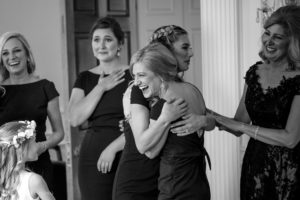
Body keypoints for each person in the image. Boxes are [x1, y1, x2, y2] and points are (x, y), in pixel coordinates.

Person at [208, 5, 300, 200]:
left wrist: (238, 125)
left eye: (278, 37)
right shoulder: (254, 73)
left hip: (291, 170)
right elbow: (238, 124)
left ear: (293, 43)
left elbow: (290, 138)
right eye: (267, 33)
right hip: (255, 167)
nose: (269, 40)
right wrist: (206, 115)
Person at [113, 25, 214, 200]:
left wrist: (204, 120)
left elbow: (210, 118)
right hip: (139, 180)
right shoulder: (142, 90)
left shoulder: (176, 92)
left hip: (170, 183)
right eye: (184, 47)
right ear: (164, 54)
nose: (191, 53)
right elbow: (144, 146)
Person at [132, 42, 210, 199]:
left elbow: (148, 151)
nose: (135, 82)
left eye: (141, 75)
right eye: (134, 76)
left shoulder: (165, 106)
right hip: (199, 185)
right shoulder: (193, 91)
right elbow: (207, 123)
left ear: (160, 74)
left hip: (176, 188)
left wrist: (163, 120)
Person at [68, 16, 132, 200]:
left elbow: (145, 119)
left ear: (120, 43)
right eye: (96, 40)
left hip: (128, 151)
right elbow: (74, 118)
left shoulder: (135, 75)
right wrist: (101, 87)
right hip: (92, 156)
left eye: (108, 39)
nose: (101, 45)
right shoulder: (85, 78)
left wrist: (114, 148)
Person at [0, 32, 65, 192]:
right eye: (5, 53)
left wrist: (41, 147)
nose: (12, 57)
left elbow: (59, 133)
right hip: (4, 168)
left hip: (39, 164)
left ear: (28, 55)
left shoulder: (45, 87)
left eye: (17, 51)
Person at [0, 120, 55, 200]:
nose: (38, 145)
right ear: (22, 149)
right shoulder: (34, 180)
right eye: (34, 142)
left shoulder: (2, 179)